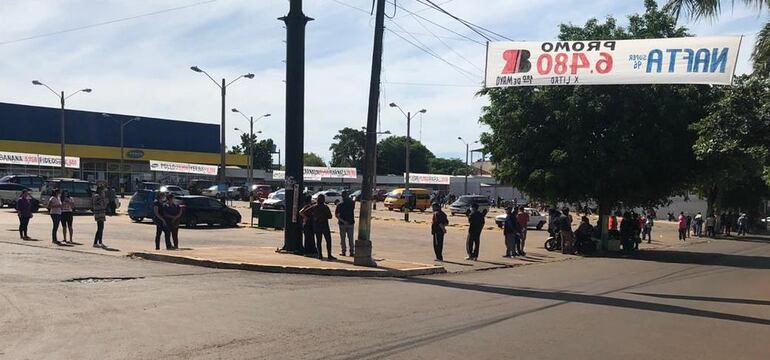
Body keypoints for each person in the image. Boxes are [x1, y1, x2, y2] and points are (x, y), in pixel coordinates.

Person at [300, 194, 335, 260]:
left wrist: (309, 217)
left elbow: (303, 212)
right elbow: (330, 216)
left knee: (319, 241)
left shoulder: (314, 207)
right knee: (328, 240)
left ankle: (320, 255)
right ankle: (329, 255)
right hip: (325, 226)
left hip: (317, 226)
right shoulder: (325, 207)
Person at [335, 190, 355, 257]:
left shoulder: (339, 204)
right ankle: (351, 252)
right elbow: (353, 205)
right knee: (351, 238)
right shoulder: (351, 203)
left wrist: (343, 221)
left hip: (342, 223)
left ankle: (343, 251)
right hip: (350, 223)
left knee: (343, 238)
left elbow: (336, 215)